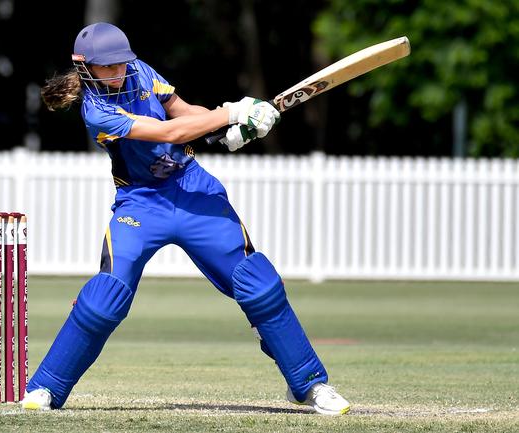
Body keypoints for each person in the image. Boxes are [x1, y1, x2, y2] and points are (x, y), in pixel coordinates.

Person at [21, 22, 349, 415]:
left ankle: (311, 385)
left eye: (122, 63)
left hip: (193, 189)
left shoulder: (141, 72)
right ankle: (47, 388)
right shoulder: (97, 111)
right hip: (140, 204)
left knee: (259, 284)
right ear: (86, 68)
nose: (119, 71)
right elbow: (170, 132)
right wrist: (230, 112)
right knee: (105, 297)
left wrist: (233, 129)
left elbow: (184, 113)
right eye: (108, 67)